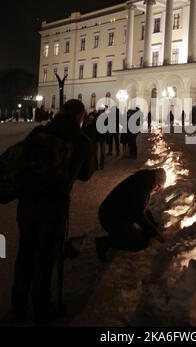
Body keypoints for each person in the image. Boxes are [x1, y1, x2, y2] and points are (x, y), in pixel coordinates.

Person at [11, 99, 95, 324]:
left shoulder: (40, 131)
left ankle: (18, 305)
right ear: (80, 116)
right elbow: (86, 174)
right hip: (54, 205)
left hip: (28, 202)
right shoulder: (81, 140)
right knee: (46, 256)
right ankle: (41, 306)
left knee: (26, 252)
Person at [96, 168, 166, 254]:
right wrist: (155, 233)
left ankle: (122, 234)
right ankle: (104, 242)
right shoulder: (142, 186)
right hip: (111, 218)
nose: (157, 190)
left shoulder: (144, 180)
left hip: (118, 214)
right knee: (138, 244)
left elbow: (142, 209)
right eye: (158, 186)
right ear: (156, 182)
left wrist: (154, 225)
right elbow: (138, 214)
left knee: (144, 235)